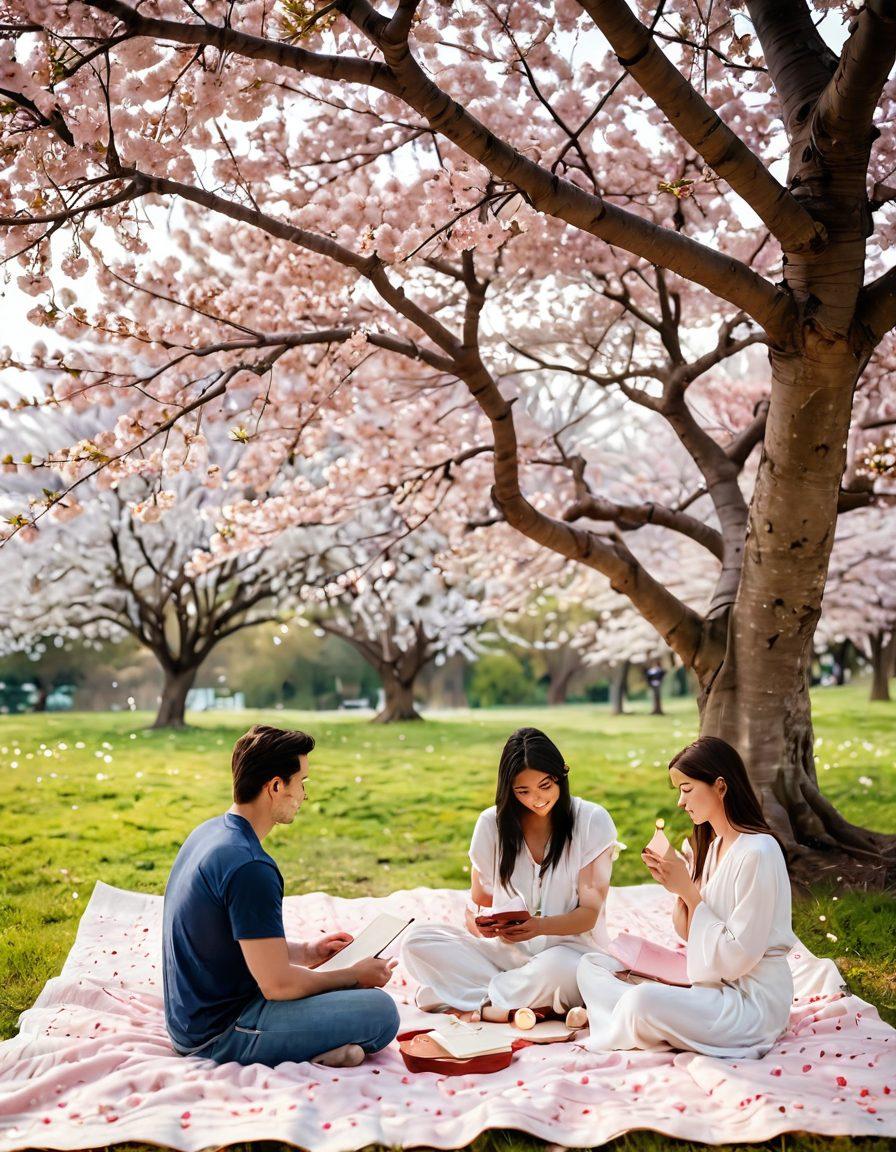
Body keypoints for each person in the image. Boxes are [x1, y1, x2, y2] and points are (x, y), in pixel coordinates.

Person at [162, 724, 400, 1068]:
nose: (304, 794)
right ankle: (299, 1048)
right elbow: (278, 985)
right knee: (381, 1012)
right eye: (301, 782)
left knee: (344, 994)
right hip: (219, 1034)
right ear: (275, 786)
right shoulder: (250, 867)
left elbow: (236, 942)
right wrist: (354, 976)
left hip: (189, 1021)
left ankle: (320, 1049)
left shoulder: (210, 833)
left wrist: (308, 951)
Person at [577, 736, 795, 1058]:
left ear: (720, 787)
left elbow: (738, 959)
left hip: (748, 1004)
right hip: (709, 987)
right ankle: (640, 1018)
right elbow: (687, 932)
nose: (680, 802)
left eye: (687, 789)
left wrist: (690, 893)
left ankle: (628, 1017)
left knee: (642, 1001)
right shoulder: (715, 846)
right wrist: (679, 887)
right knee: (591, 965)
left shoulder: (758, 852)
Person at [402, 727, 618, 1021]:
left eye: (545, 785)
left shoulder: (592, 820)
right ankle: (511, 1002)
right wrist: (482, 927)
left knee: (558, 972)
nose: (537, 799)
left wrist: (539, 926)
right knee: (417, 941)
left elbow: (590, 914)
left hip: (568, 954)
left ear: (561, 775)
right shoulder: (491, 824)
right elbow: (477, 904)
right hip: (505, 956)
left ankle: (462, 998)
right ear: (509, 789)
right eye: (523, 791)